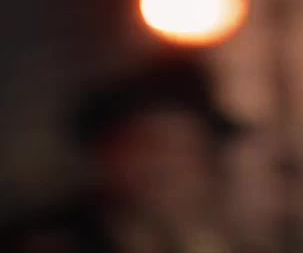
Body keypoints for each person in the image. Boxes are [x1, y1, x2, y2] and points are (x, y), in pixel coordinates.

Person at [1, 55, 247, 253]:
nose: (164, 167)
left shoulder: (224, 239)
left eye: (184, 151)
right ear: (107, 155)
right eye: (147, 146)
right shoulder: (48, 242)